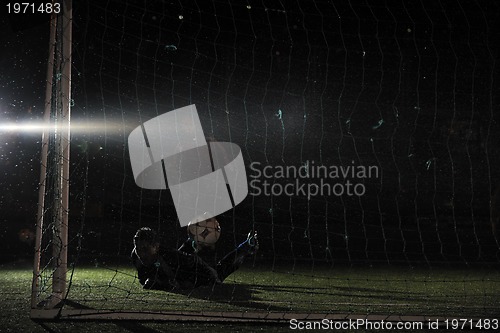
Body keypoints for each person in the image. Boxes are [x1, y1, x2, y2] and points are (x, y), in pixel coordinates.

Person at [131, 226, 258, 290]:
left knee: (218, 273)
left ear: (156, 246)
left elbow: (191, 265)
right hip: (177, 267)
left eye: (145, 249)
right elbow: (145, 279)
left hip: (196, 270)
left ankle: (247, 247)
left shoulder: (170, 257)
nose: (141, 254)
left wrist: (212, 275)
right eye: (138, 248)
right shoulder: (135, 256)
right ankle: (190, 244)